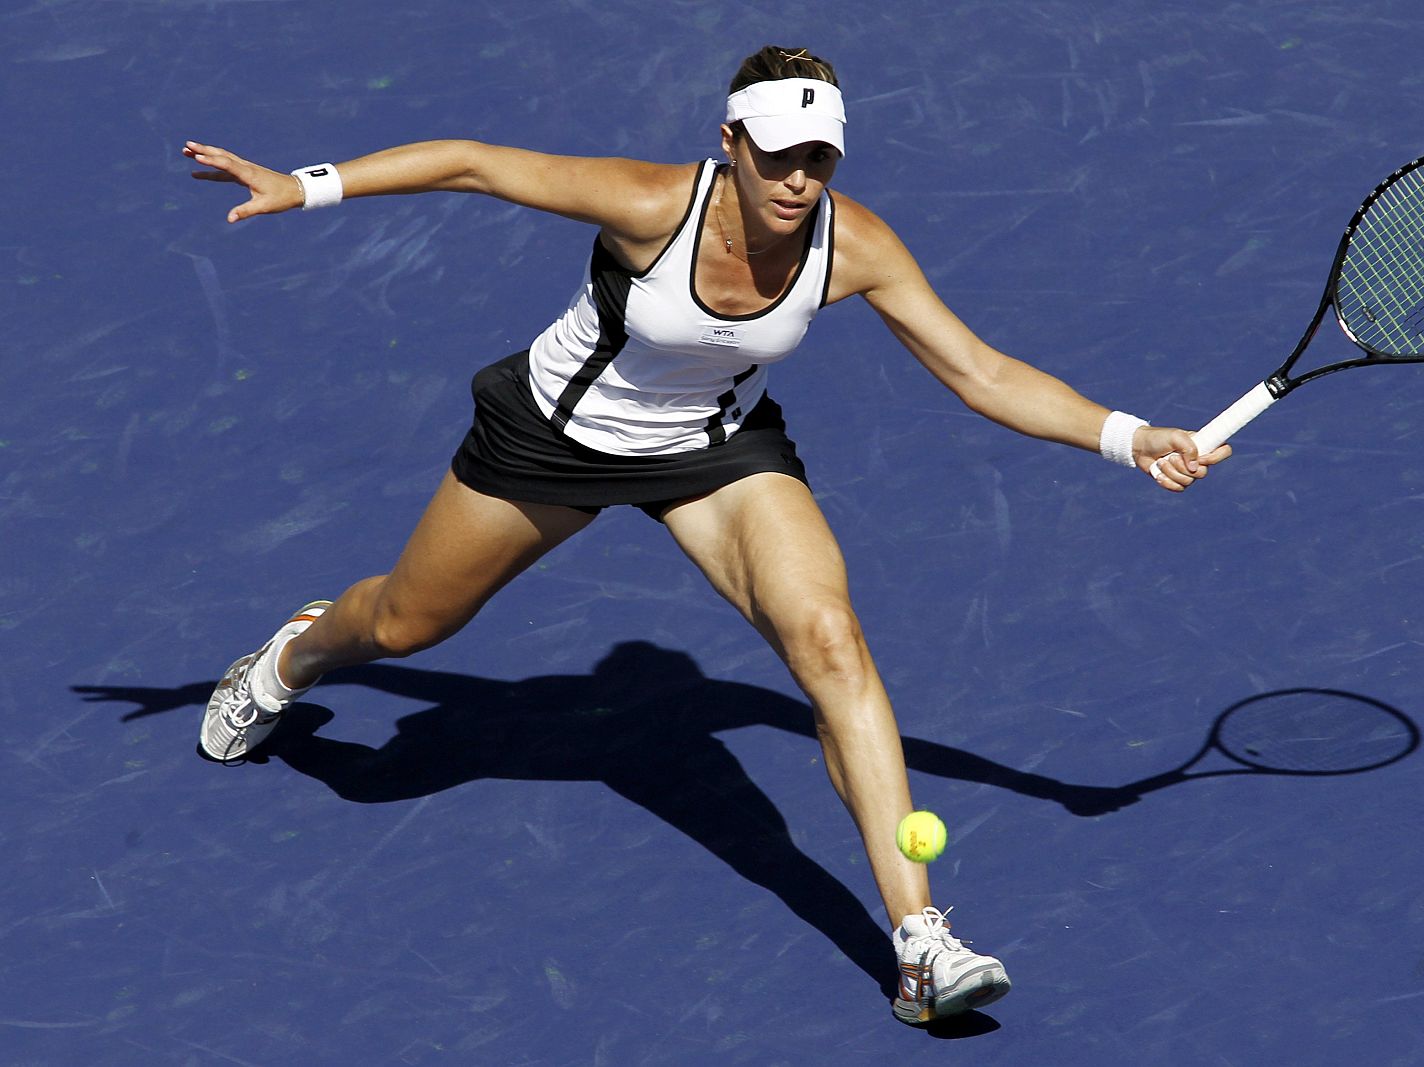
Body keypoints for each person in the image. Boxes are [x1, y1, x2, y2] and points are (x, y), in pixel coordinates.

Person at [184, 44, 1229, 1026]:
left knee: (829, 641)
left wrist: (1128, 437)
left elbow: (980, 370)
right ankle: (296, 650)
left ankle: (920, 940)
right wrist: (305, 183)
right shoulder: (649, 205)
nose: (798, 182)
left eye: (819, 159)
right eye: (779, 158)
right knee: (405, 627)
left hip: (715, 453)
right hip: (554, 440)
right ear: (731, 143)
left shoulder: (854, 246)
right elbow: (473, 164)